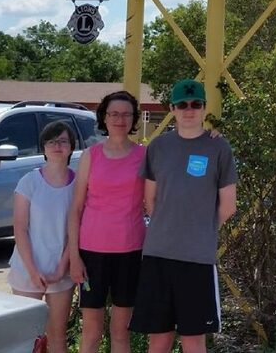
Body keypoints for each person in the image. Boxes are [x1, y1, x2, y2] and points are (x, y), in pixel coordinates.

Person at [129, 78, 237, 353]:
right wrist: (171, 226)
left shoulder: (219, 148)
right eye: (182, 105)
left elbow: (228, 206)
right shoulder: (158, 147)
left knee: (193, 340)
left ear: (204, 108)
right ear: (172, 109)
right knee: (159, 339)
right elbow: (149, 201)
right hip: (158, 255)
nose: (189, 110)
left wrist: (199, 228)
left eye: (196, 104)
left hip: (197, 258)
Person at [69, 90, 146, 353]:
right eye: (114, 114)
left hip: (130, 252)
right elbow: (75, 208)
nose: (120, 119)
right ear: (104, 117)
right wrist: (74, 256)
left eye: (126, 114)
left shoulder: (144, 155)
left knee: (120, 332)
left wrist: (210, 137)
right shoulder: (91, 155)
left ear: (134, 118)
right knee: (91, 331)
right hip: (91, 254)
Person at [8, 121, 77, 353]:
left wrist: (61, 269)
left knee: (57, 337)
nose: (57, 145)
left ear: (71, 147)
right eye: (51, 141)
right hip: (27, 269)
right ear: (43, 147)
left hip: (61, 272)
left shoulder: (79, 185)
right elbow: (20, 228)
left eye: (63, 140)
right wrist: (33, 270)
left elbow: (76, 231)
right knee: (25, 338)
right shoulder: (29, 182)